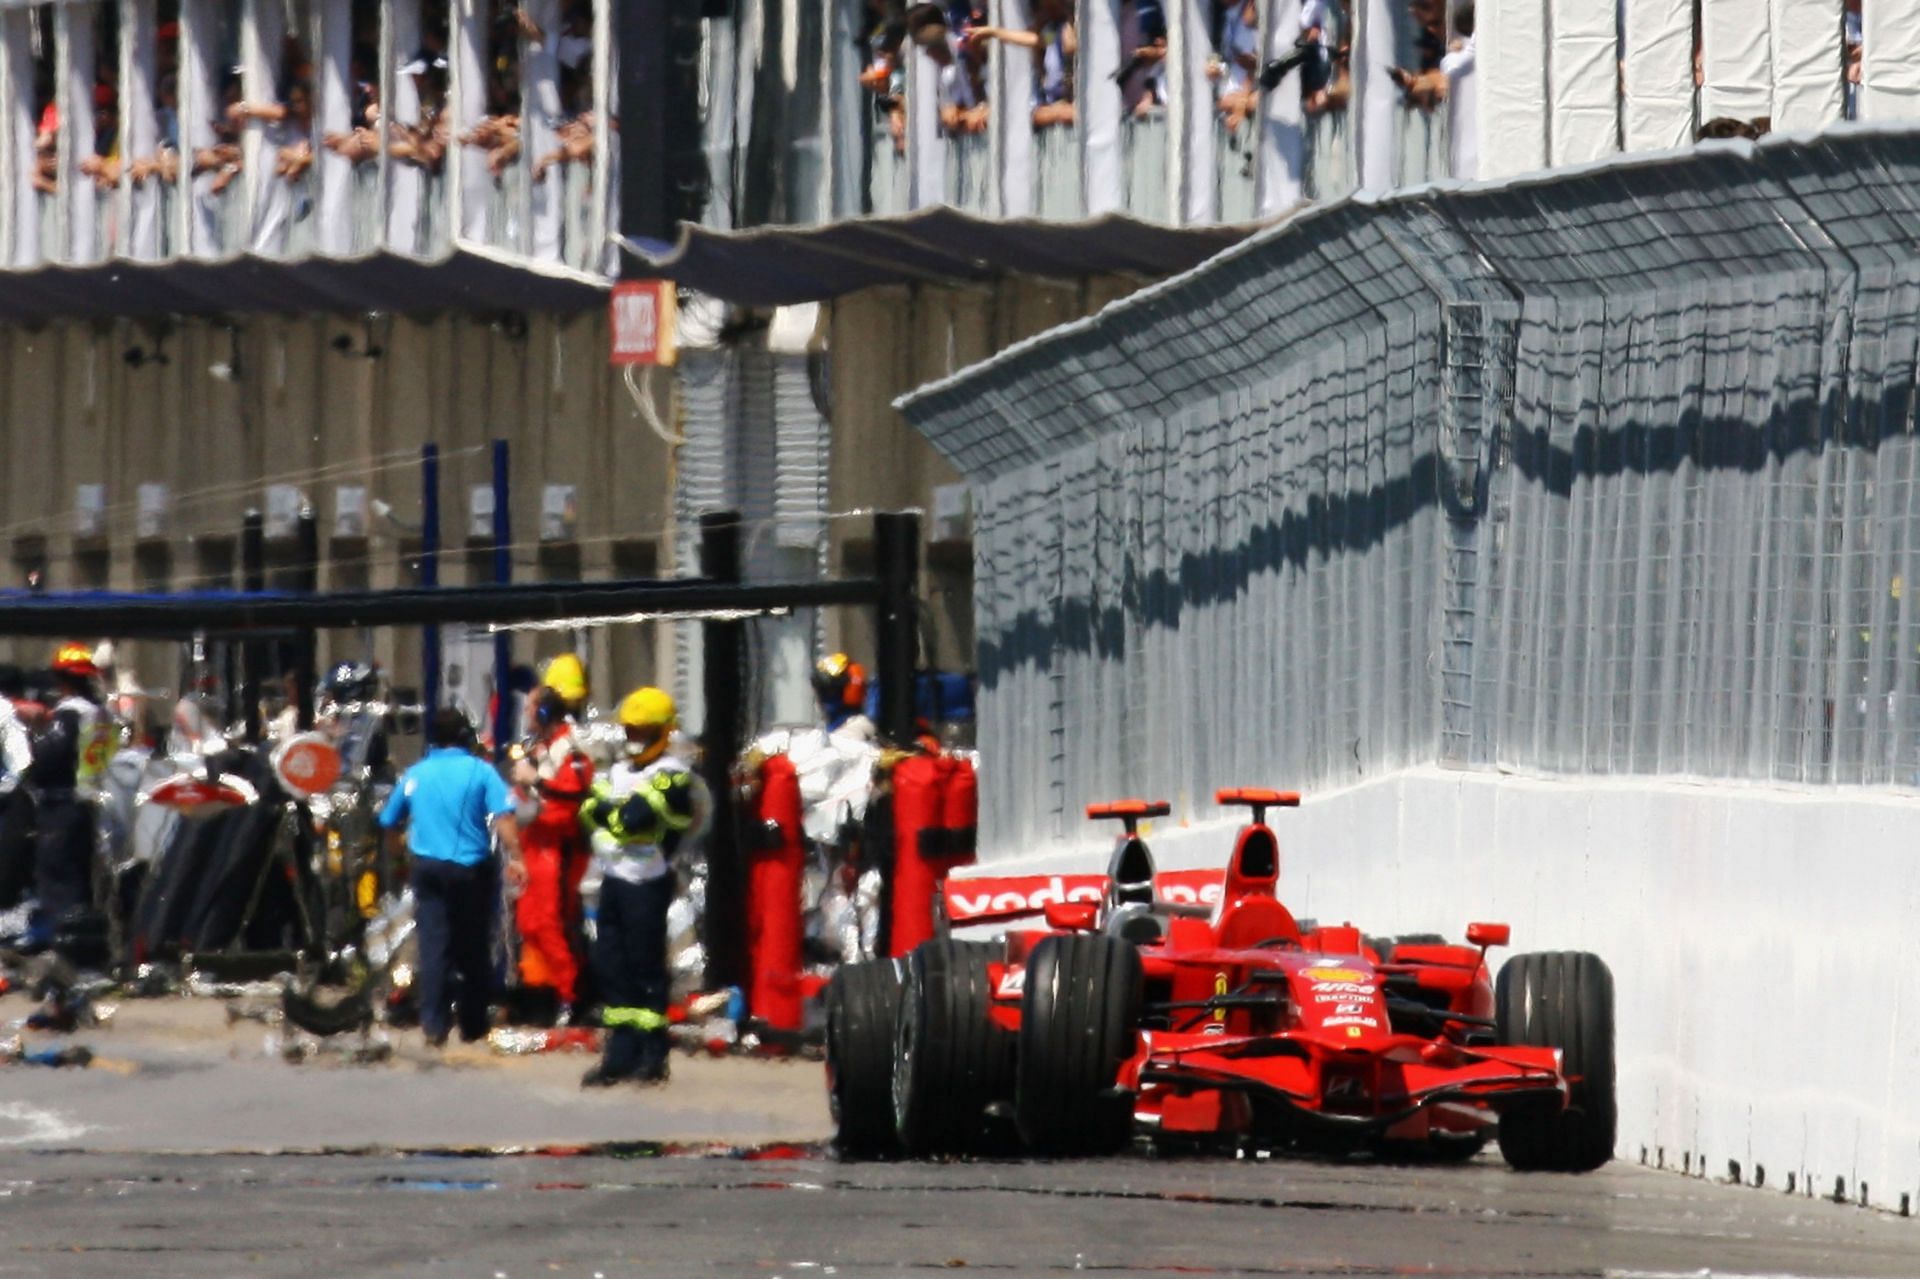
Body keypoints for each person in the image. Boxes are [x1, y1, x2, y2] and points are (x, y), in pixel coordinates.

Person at [578, 687, 707, 1086]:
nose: (634, 740)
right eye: (631, 731)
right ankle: (620, 1053)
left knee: (645, 968)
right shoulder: (618, 771)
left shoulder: (673, 774)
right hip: (614, 881)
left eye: (643, 732)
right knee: (610, 965)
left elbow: (633, 820)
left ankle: (653, 1056)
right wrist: (614, 814)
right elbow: (588, 810)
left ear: (663, 733)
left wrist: (612, 814)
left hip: (646, 885)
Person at [379, 708, 524, 1046]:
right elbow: (503, 817)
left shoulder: (416, 773)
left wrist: (400, 857)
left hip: (427, 868)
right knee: (473, 946)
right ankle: (473, 1023)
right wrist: (516, 857)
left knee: (433, 945)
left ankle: (434, 1024)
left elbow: (389, 822)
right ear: (465, 737)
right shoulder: (481, 771)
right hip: (471, 871)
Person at [511, 652, 594, 1020]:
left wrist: (535, 782)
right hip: (535, 847)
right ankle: (537, 993)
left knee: (551, 924)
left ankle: (571, 996)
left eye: (532, 706)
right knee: (529, 923)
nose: (527, 714)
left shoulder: (571, 751)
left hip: (558, 849)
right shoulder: (541, 749)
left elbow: (571, 797)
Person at [27, 644, 113, 944]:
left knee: (57, 878)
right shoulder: (102, 714)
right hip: (91, 803)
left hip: (62, 805)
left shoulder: (69, 715)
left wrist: (33, 741)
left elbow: (47, 758)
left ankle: (61, 942)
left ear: (61, 679)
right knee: (81, 878)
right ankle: (82, 942)